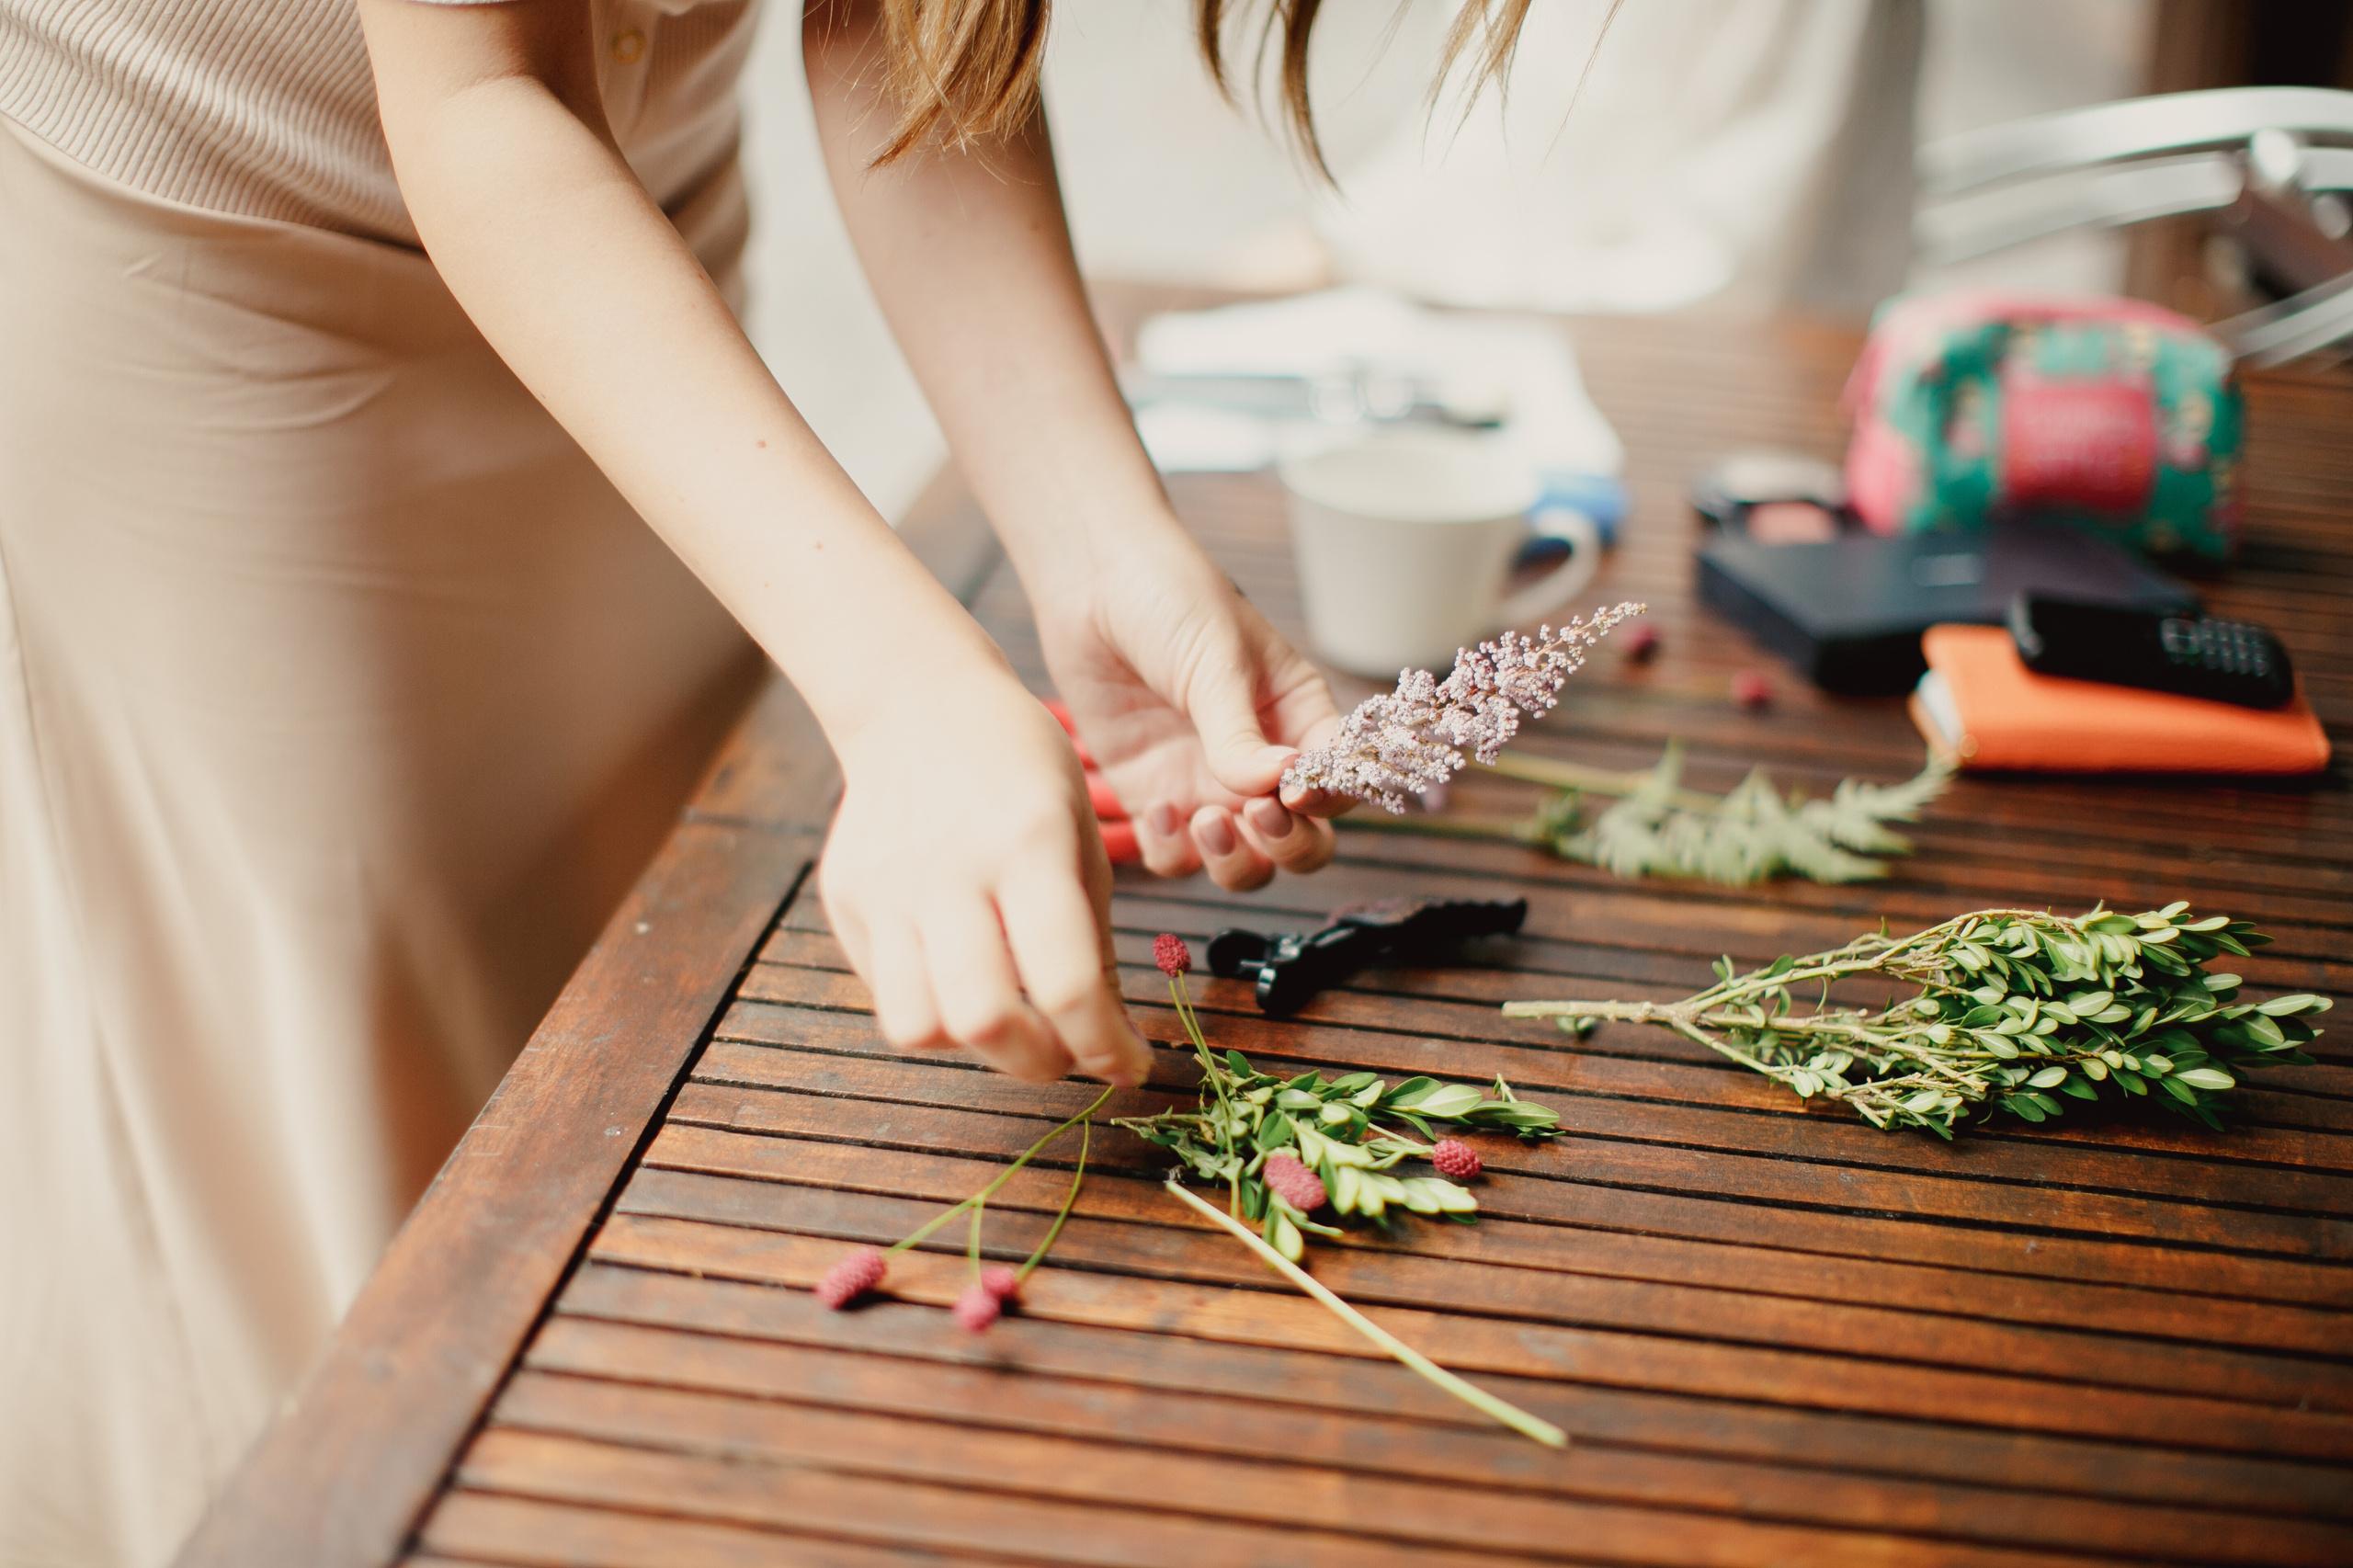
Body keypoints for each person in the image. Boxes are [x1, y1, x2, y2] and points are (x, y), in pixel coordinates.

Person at [0, 2, 1538, 1562]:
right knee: (355, 1169)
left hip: (633, 257)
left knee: (636, 1001)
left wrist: (1098, 545)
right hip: (229, 268)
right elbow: (479, 94)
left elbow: (916, 29)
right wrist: (909, 691)